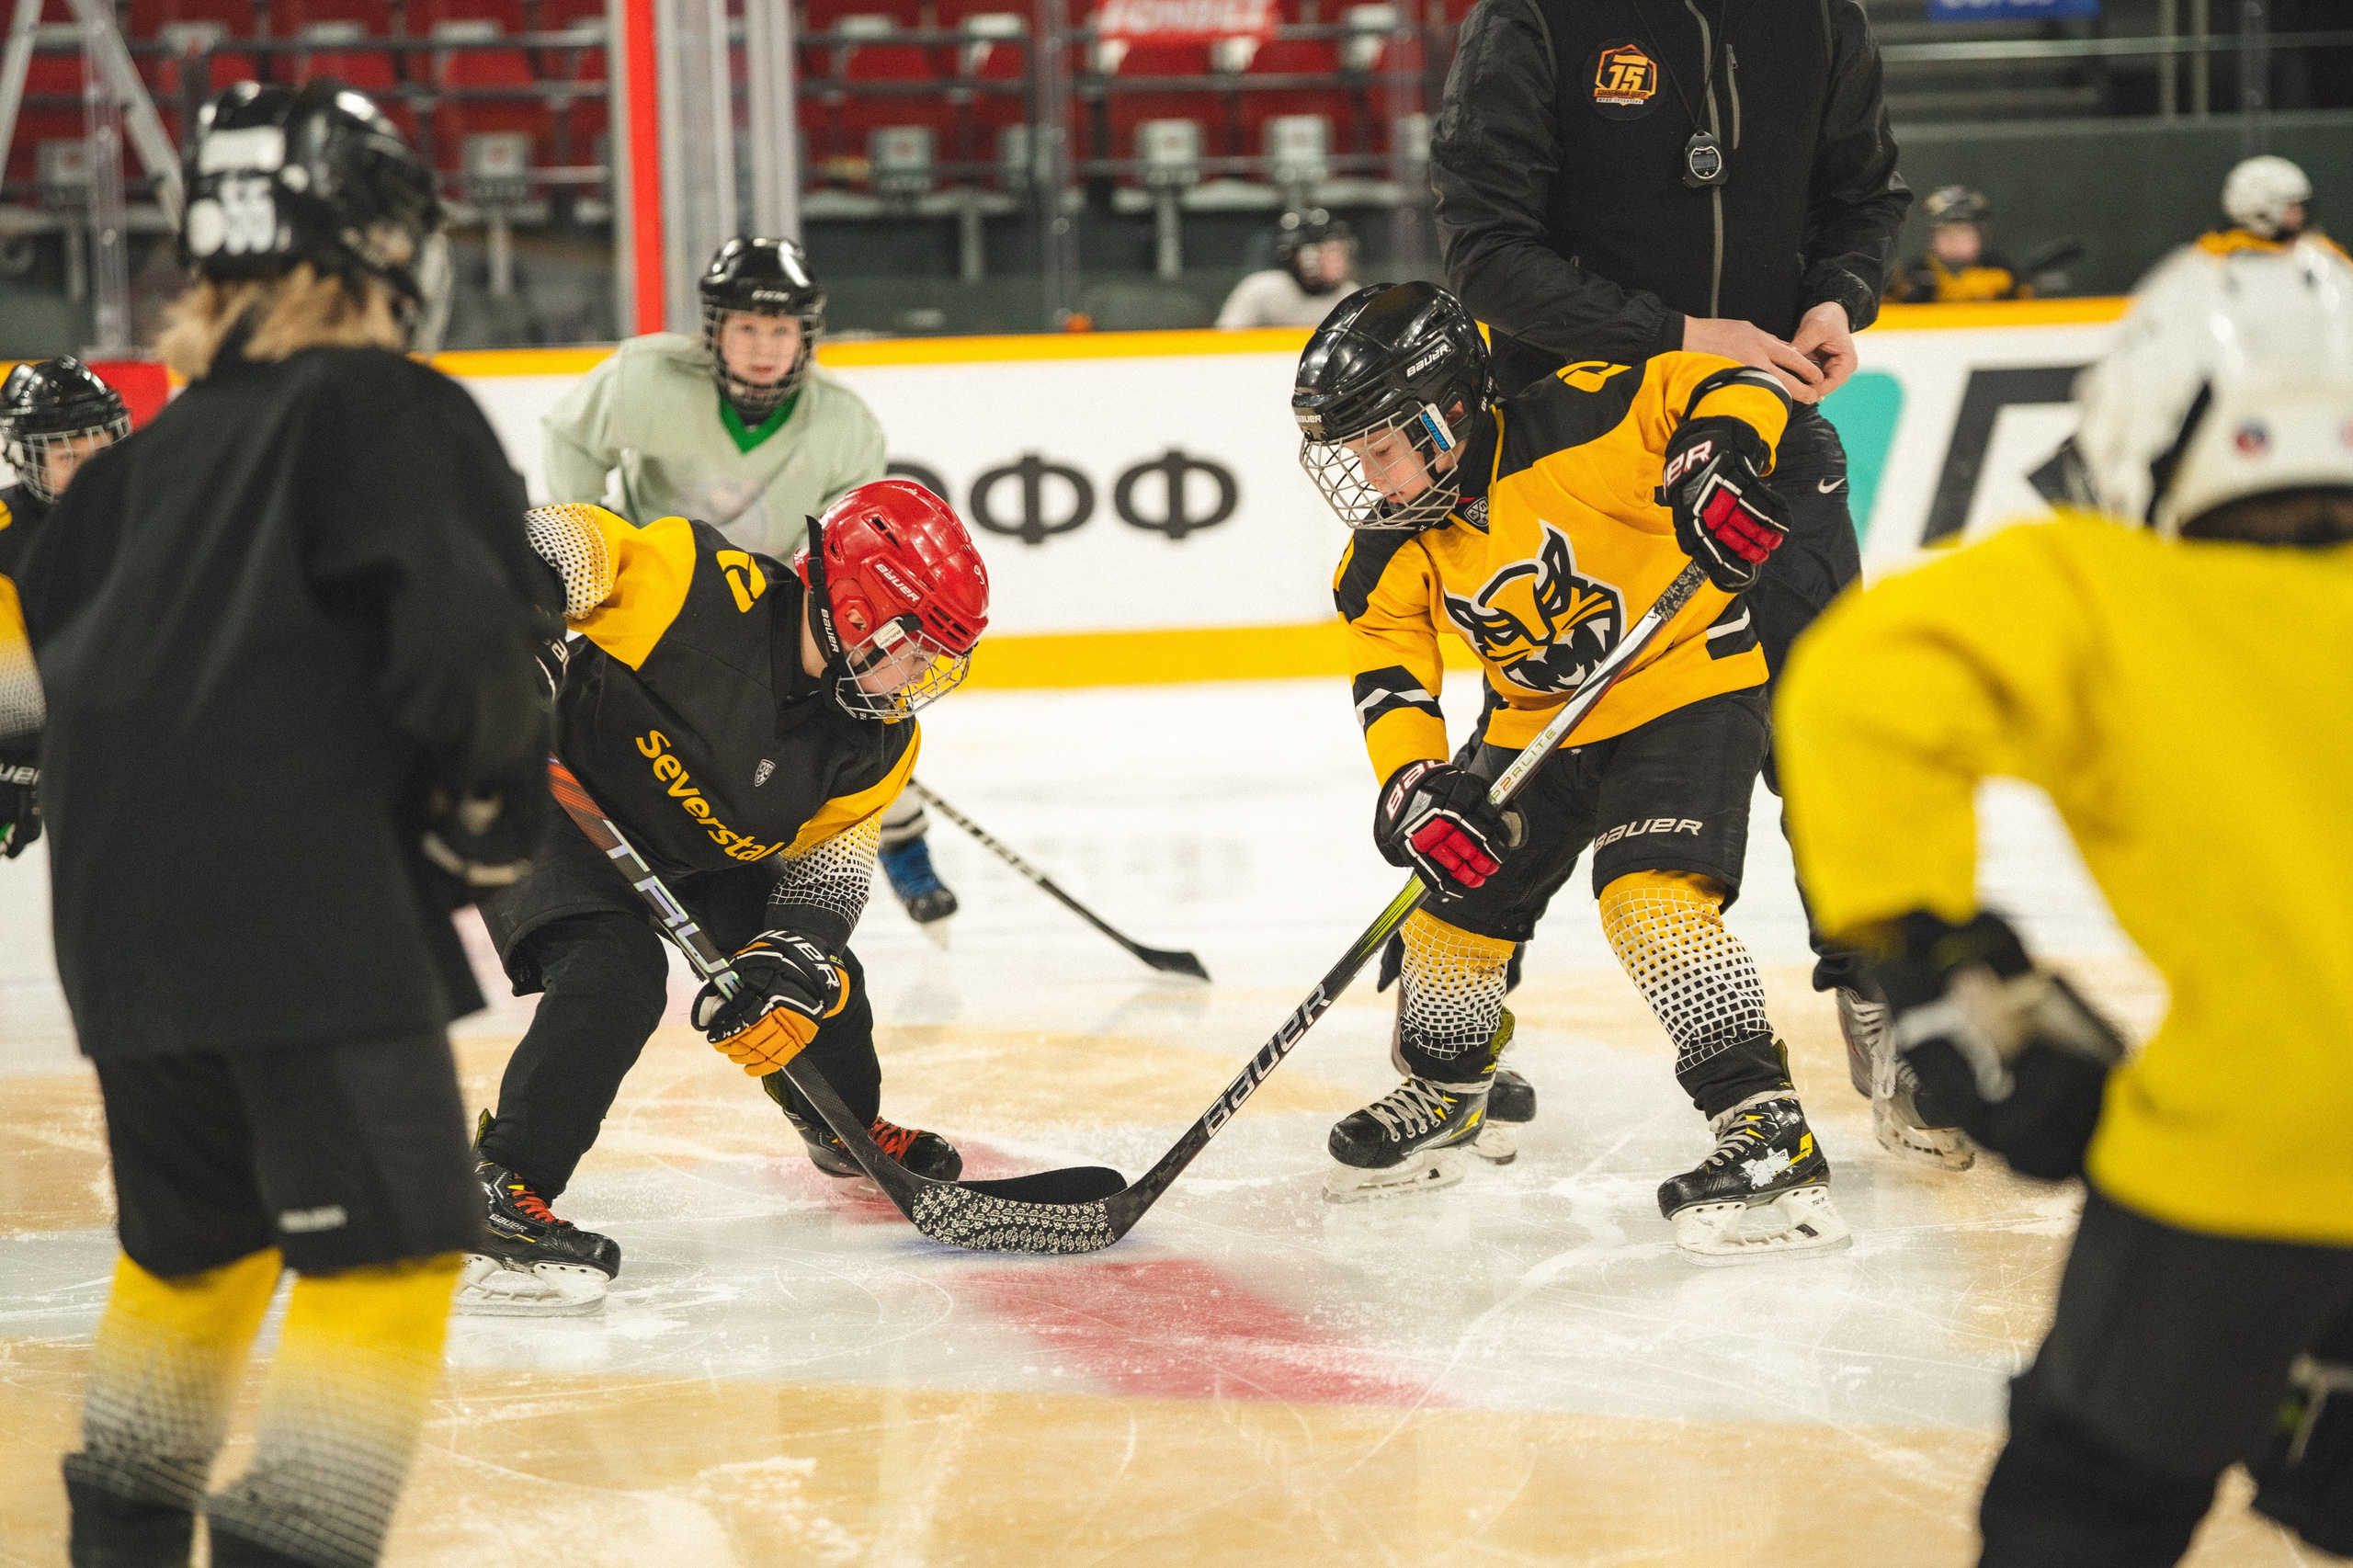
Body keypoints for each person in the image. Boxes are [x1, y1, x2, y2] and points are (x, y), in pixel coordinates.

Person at [18, 80, 552, 1568]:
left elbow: (68, 678)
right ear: (378, 240)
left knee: (192, 1262)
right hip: (308, 927)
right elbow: (470, 659)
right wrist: (485, 831)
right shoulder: (385, 409)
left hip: (122, 944)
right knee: (387, 1259)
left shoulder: (131, 471)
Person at [1776, 239, 2353, 1563]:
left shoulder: (2110, 592)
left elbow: (1858, 677)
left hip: (2234, 1165)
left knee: (2083, 1507)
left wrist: (1943, 963)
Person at [1426, 0, 1945, 1168]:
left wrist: (1835, 299)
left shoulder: (1818, 16)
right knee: (1549, 749)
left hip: (1763, 441)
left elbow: (1863, 195)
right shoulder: (1533, 21)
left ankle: (1884, 1007)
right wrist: (1672, 333)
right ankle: (1455, 1030)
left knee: (1831, 737)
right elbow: (1486, 254)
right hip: (1579, 463)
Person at [1295, 281, 1848, 1262]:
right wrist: (1413, 788)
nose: (1367, 478)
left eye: (1378, 447)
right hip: (1532, 724)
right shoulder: (1391, 544)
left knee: (1648, 904)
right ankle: (1452, 1091)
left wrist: (1718, 455)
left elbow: (1740, 379)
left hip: (1686, 687)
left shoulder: (1580, 416)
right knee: (1449, 913)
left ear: (1446, 410)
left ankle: (1766, 1128)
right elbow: (1390, 677)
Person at [459, 479, 988, 1314]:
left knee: (820, 980)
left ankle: (838, 1125)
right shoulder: (699, 588)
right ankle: (499, 1189)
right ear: (858, 610)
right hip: (553, 800)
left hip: (707, 850)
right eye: (917, 647)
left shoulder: (880, 738)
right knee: (615, 975)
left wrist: (794, 952)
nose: (922, 674)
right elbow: (562, 538)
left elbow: (835, 857)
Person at [546, 236, 957, 926]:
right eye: (746, 328)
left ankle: (904, 855)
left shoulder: (844, 427)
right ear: (715, 331)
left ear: (806, 336)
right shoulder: (644, 380)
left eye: (781, 329)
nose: (764, 346)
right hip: (665, 613)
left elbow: (843, 552)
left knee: (849, 738)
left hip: (770, 619)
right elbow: (569, 438)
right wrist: (597, 529)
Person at [0, 356, 130, 861]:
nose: (91, 470)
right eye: (67, 457)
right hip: (64, 762)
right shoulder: (8, 538)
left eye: (100, 451)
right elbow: (11, 681)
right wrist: (19, 766)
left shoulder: (148, 509)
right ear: (27, 459)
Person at [1216, 209, 1361, 329]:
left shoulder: (1352, 297)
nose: (1340, 260)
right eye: (1331, 251)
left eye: (1342, 251)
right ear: (1303, 254)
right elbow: (1225, 341)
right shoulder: (1261, 291)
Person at [1889, 186, 2029, 302]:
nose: (1954, 240)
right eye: (1945, 232)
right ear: (1931, 236)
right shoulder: (1915, 274)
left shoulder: (2000, 270)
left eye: (1964, 231)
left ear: (1981, 235)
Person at [2200, 154, 2347, 261]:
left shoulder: (2316, 247)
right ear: (2259, 210)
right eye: (2292, 206)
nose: (2301, 214)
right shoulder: (2218, 251)